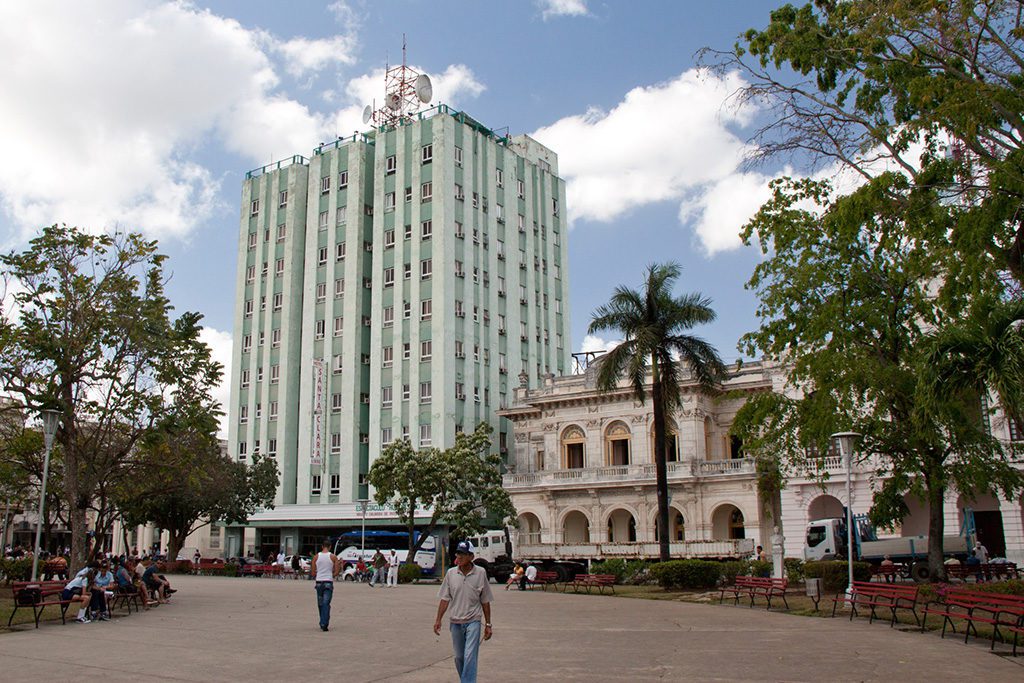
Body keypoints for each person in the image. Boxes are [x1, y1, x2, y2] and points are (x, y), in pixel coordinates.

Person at [434, 541, 493, 683]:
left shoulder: (480, 573)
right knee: (459, 657)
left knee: (469, 656)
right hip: (455, 622)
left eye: (463, 554)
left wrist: (489, 624)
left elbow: (485, 601)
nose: (459, 557)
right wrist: (438, 620)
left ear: (471, 556)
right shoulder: (451, 573)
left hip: (474, 620)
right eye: (458, 553)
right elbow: (444, 599)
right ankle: (466, 680)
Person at [312, 539, 340, 631]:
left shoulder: (316, 557)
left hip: (319, 582)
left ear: (322, 546)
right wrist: (330, 575)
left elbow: (312, 572)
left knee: (320, 604)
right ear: (330, 547)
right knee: (326, 603)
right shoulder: (333, 557)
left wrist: (319, 574)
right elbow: (336, 572)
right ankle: (324, 623)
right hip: (328, 581)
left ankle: (322, 621)